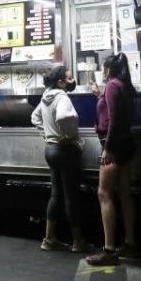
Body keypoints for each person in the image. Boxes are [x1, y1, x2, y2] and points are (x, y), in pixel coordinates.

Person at [31, 65, 90, 253]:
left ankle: (49, 239)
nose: (72, 80)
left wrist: (47, 135)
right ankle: (78, 241)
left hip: (50, 149)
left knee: (56, 195)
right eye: (70, 78)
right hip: (65, 150)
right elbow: (65, 117)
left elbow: (35, 117)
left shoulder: (47, 96)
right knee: (71, 197)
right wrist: (69, 135)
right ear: (61, 82)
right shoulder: (62, 97)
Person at [86, 52, 137, 266]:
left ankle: (109, 250)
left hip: (113, 145)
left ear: (108, 70)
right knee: (124, 194)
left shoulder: (113, 86)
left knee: (103, 193)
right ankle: (130, 244)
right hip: (126, 143)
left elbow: (113, 119)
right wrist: (99, 95)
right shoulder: (124, 86)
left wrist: (107, 147)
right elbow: (114, 112)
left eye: (104, 68)